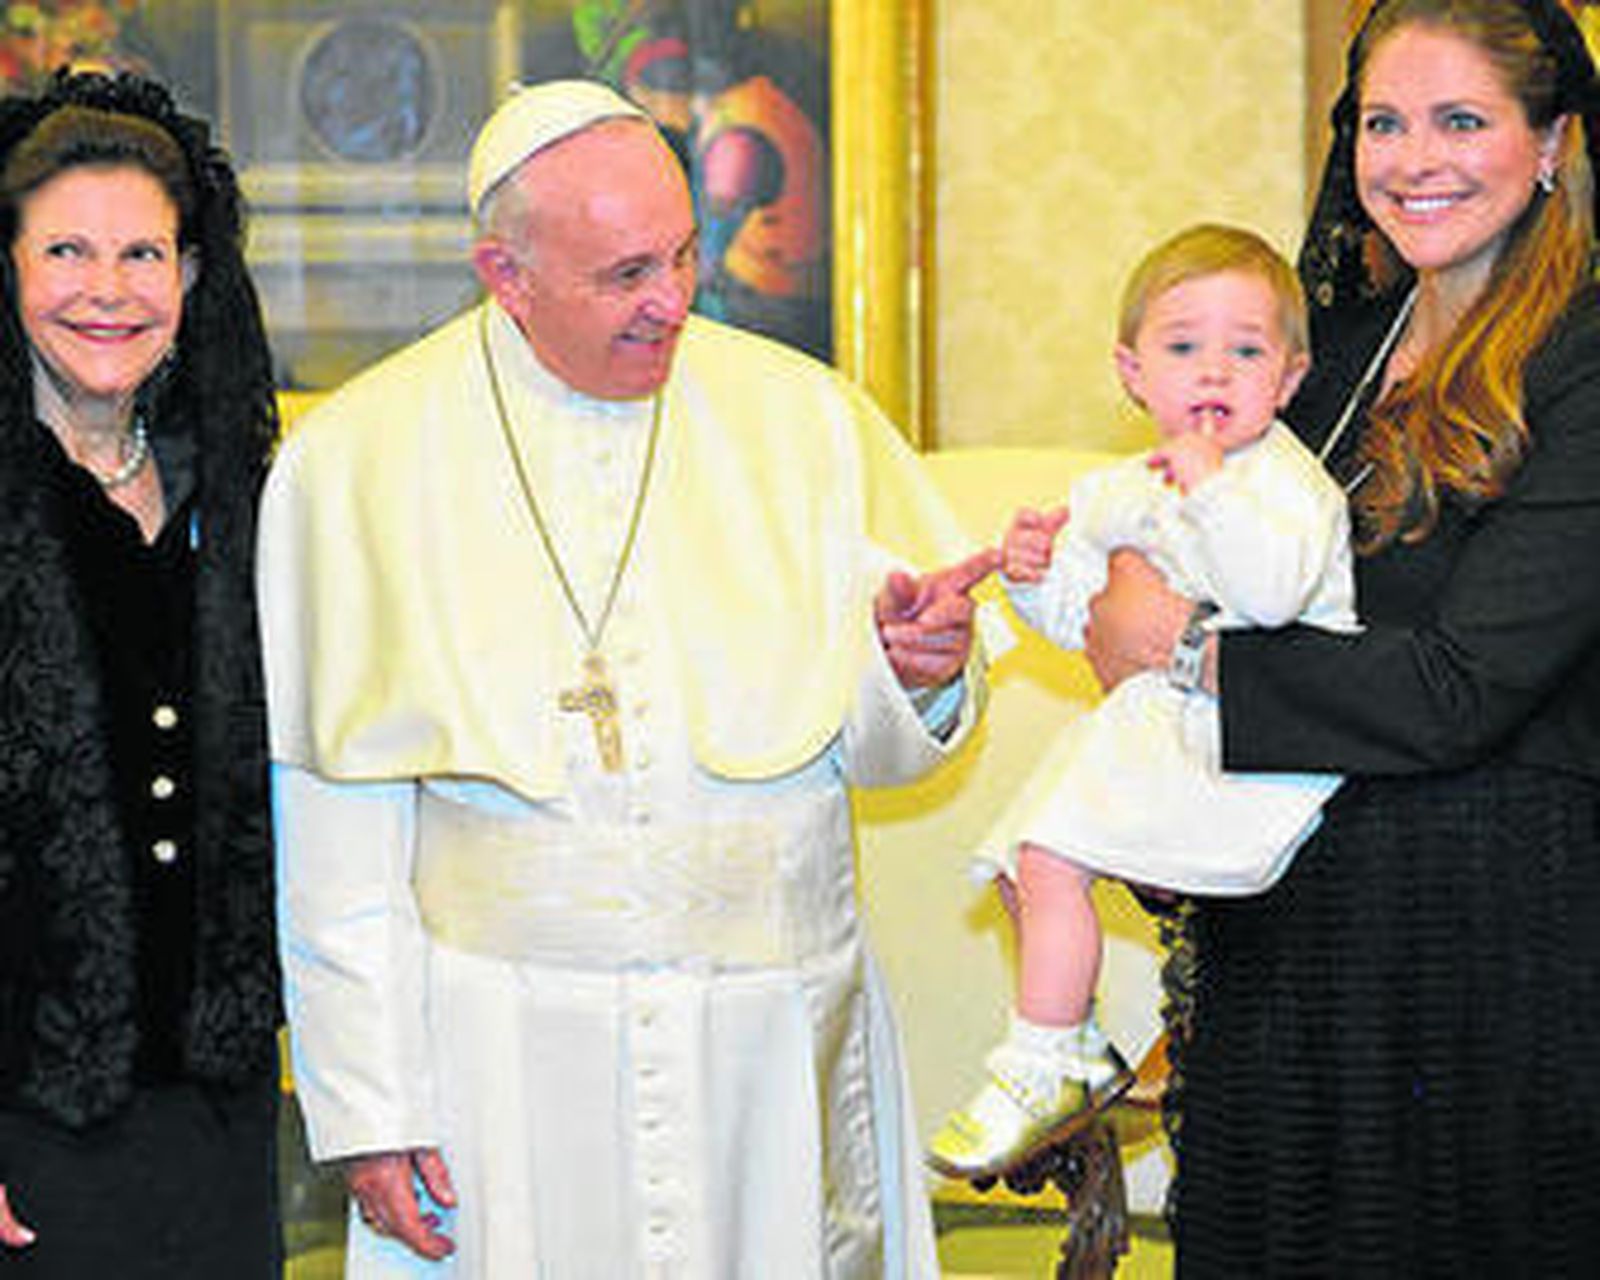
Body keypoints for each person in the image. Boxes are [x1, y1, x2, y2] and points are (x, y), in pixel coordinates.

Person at [259, 79, 993, 1278]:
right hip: (503, 1057)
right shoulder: (358, 461)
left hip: (772, 1035)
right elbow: (333, 819)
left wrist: (920, 673)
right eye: (622, 276)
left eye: (683, 256)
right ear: (505, 273)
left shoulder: (804, 420)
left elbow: (885, 728)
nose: (671, 303)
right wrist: (370, 1104)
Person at [1082, 1, 1600, 1273]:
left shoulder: (1586, 355)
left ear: (1551, 143)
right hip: (1293, 944)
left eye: (1460, 120)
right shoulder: (1324, 357)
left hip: (1499, 953)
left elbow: (1462, 686)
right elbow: (1198, 555)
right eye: (1382, 121)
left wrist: (1182, 650)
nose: (1413, 157)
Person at [927, 224, 1357, 1181]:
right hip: (1163, 723)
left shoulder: (1290, 484)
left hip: (1261, 748)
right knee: (1021, 865)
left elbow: (1275, 593)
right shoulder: (1121, 487)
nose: (1214, 371)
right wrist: (1034, 572)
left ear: (1287, 379)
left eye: (1246, 351)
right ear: (1132, 371)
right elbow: (1086, 625)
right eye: (1182, 347)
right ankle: (1065, 1041)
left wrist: (1209, 491)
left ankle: (1042, 1059)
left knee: (1048, 852)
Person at [0, 70, 281, 1277]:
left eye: (143, 254)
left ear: (193, 275)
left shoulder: (255, 497)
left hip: (217, 1121)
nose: (107, 290)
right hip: (26, 1122)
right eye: (65, 249)